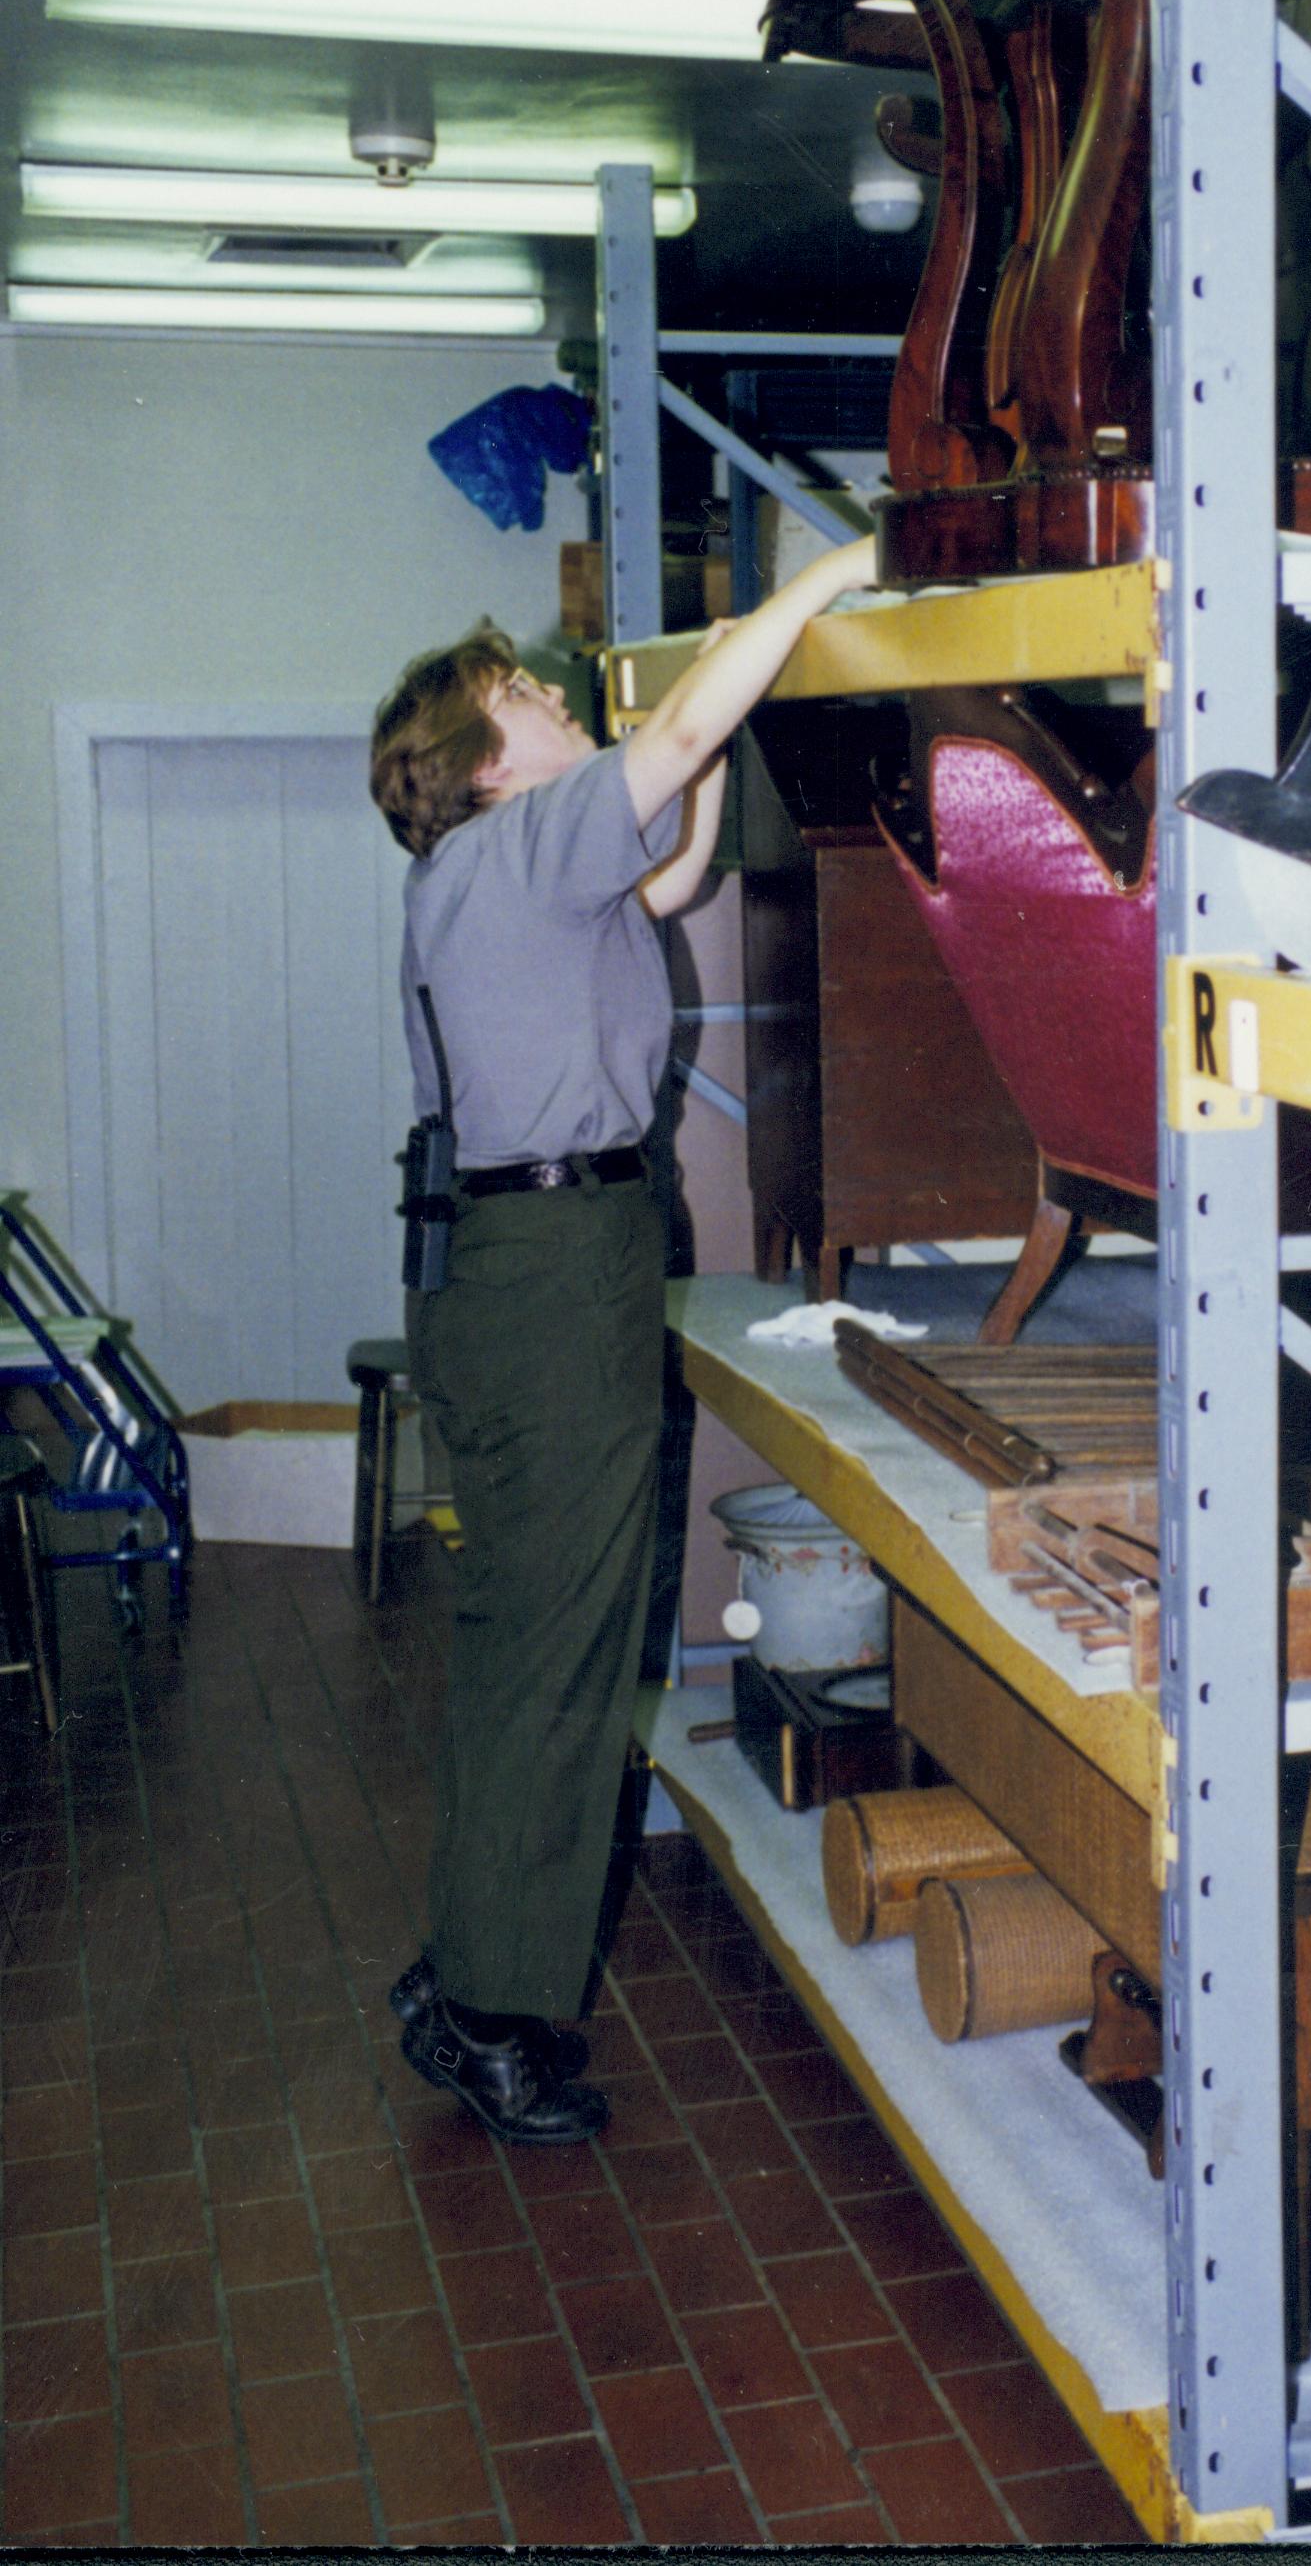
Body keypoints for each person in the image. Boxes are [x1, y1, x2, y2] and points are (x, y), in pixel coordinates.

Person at [367, 532, 873, 2145]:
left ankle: (464, 1966)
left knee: (537, 1638)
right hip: (547, 1262)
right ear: (486, 765)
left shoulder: (493, 881)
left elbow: (671, 868)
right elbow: (663, 754)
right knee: (560, 1658)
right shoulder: (512, 856)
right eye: (524, 691)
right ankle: (489, 2014)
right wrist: (819, 582)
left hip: (517, 1260)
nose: (552, 691)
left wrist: (699, 724)